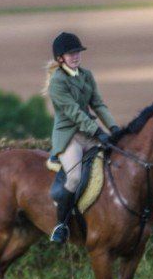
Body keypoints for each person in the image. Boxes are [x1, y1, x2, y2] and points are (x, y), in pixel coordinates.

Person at [44, 32, 120, 243]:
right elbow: (74, 113)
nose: (76, 56)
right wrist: (98, 132)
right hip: (69, 136)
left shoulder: (86, 75)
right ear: (61, 58)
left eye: (77, 52)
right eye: (71, 53)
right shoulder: (57, 82)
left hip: (88, 132)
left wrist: (114, 128)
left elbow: (98, 104)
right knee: (75, 177)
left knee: (113, 161)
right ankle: (61, 225)